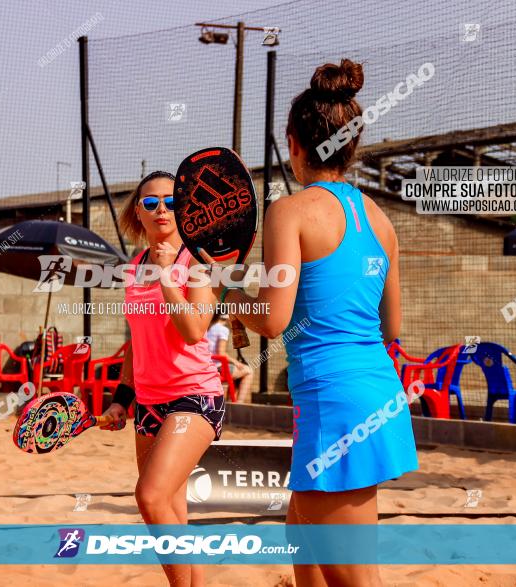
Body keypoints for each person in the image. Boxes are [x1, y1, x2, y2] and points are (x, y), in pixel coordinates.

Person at [199, 59, 418, 587]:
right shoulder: (380, 219)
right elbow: (392, 327)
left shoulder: (291, 212)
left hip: (333, 403)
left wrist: (227, 294)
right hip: (376, 395)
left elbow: (273, 318)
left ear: (295, 143)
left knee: (355, 580)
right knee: (306, 547)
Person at [100, 170, 224, 587]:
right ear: (139, 211)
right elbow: (137, 341)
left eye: (170, 201)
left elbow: (194, 330)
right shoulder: (134, 267)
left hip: (194, 397)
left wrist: (169, 274)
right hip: (149, 402)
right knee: (172, 513)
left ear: (184, 208)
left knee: (149, 496)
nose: (161, 209)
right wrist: (122, 398)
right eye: (150, 203)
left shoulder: (197, 261)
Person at [206, 312, 254, 402]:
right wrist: (238, 363)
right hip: (218, 369)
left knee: (237, 372)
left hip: (207, 367)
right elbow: (221, 353)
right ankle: (239, 404)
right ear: (227, 316)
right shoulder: (223, 329)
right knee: (248, 371)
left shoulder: (209, 327)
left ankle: (231, 401)